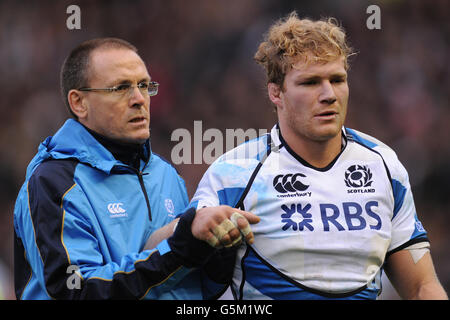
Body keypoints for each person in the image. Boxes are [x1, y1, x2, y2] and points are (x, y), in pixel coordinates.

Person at [190, 12, 448, 300]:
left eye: (337, 79)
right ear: (276, 93)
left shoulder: (383, 166)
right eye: (310, 82)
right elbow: (172, 255)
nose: (329, 95)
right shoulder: (233, 173)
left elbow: (421, 287)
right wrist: (193, 225)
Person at [13, 37, 259, 300]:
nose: (139, 99)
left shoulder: (166, 174)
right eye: (120, 88)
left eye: (144, 85)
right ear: (79, 103)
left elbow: (187, 283)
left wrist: (215, 254)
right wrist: (177, 251)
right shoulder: (53, 183)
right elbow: (76, 292)